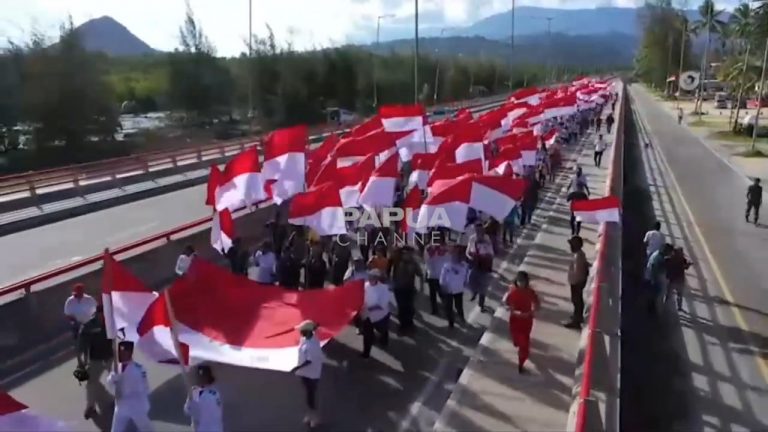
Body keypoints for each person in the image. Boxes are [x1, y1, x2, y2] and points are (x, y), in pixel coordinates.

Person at [107, 341, 153, 432]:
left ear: (129, 352)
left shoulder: (138, 368)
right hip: (121, 405)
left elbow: (143, 387)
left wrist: (120, 378)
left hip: (135, 405)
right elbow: (110, 383)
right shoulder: (117, 367)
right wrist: (112, 378)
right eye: (119, 351)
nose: (120, 354)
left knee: (146, 429)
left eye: (123, 351)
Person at [79, 305, 113, 421]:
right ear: (97, 314)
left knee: (118, 379)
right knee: (91, 383)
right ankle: (90, 407)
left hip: (110, 357)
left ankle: (121, 401)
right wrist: (82, 361)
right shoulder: (88, 326)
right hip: (96, 359)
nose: (104, 316)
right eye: (102, 314)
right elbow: (82, 345)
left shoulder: (110, 321)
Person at [503, 271, 541, 373]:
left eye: (523, 281)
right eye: (520, 281)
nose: (521, 284)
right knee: (517, 340)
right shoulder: (512, 291)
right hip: (515, 320)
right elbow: (506, 304)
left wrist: (532, 311)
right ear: (517, 281)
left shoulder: (530, 292)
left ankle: (521, 363)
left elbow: (537, 304)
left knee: (524, 343)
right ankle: (519, 347)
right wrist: (514, 311)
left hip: (526, 320)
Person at [290, 320, 324, 428]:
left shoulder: (312, 344)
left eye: (303, 331)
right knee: (309, 395)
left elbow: (309, 361)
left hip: (311, 374)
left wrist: (296, 368)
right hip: (305, 373)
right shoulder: (306, 338)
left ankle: (314, 418)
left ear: (308, 332)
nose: (300, 332)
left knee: (311, 396)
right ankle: (310, 415)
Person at [360, 269, 393, 358]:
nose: (370, 279)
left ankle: (384, 339)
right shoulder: (365, 286)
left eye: (372, 277)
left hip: (380, 316)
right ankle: (366, 353)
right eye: (369, 277)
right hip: (367, 316)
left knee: (382, 329)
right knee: (367, 335)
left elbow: (382, 305)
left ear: (376, 279)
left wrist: (369, 309)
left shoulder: (383, 288)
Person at [390, 246, 422, 333]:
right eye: (405, 253)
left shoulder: (414, 263)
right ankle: (402, 325)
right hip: (398, 288)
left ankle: (409, 323)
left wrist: (421, 288)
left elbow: (420, 274)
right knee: (401, 307)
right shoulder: (397, 261)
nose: (407, 255)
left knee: (409, 307)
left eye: (409, 253)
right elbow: (392, 252)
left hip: (409, 288)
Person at [184, 365, 223, 432]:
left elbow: (217, 412)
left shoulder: (215, 392)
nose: (201, 378)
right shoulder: (196, 391)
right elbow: (188, 411)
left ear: (208, 377)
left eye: (203, 375)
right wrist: (190, 401)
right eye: (200, 375)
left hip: (214, 429)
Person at [64, 283, 98, 358]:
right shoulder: (70, 301)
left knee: (94, 338)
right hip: (77, 324)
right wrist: (74, 321)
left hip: (89, 323)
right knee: (78, 342)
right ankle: (79, 354)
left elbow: (96, 309)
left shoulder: (89, 299)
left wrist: (95, 318)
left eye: (81, 291)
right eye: (78, 292)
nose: (79, 293)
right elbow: (67, 314)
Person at [467, 222, 494, 312]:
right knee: (470, 279)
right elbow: (468, 251)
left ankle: (481, 305)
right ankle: (474, 292)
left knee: (483, 286)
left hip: (484, 265)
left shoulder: (487, 239)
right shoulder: (472, 238)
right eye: (477, 230)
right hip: (474, 263)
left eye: (480, 229)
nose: (479, 231)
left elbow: (491, 253)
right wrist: (470, 256)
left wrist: (484, 245)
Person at [439, 246, 469, 328]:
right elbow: (442, 277)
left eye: (459, 254)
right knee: (448, 307)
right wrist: (443, 285)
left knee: (459, 306)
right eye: (455, 254)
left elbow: (466, 277)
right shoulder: (447, 266)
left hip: (458, 289)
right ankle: (451, 322)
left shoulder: (464, 265)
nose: (456, 256)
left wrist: (465, 284)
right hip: (448, 290)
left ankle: (461, 318)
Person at [564, 236, 590, 329]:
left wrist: (574, 282)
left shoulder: (578, 257)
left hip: (577, 282)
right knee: (577, 300)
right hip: (577, 282)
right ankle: (577, 316)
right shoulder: (579, 254)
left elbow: (578, 272)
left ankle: (576, 320)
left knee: (576, 301)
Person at [424, 234, 450, 315]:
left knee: (442, 293)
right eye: (435, 239)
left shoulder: (446, 249)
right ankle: (434, 309)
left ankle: (447, 308)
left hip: (441, 275)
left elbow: (448, 259)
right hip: (431, 274)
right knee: (432, 294)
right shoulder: (429, 248)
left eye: (439, 239)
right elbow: (426, 259)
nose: (437, 241)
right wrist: (433, 250)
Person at [645, 243, 673, 315]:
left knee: (652, 296)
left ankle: (651, 310)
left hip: (649, 277)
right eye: (669, 252)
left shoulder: (656, 254)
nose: (670, 254)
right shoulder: (660, 260)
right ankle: (654, 312)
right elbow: (658, 272)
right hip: (653, 280)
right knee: (656, 296)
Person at [665, 247, 692, 311]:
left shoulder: (670, 259)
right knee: (679, 295)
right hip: (680, 280)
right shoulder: (682, 259)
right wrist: (689, 264)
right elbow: (686, 267)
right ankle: (679, 307)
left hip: (672, 279)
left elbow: (666, 265)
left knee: (668, 294)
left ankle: (665, 305)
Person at [566, 167, 590, 236]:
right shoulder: (574, 179)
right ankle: (574, 231)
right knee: (572, 221)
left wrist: (588, 191)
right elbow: (568, 198)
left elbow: (585, 185)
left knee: (578, 221)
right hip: (574, 208)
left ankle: (576, 233)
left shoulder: (583, 194)